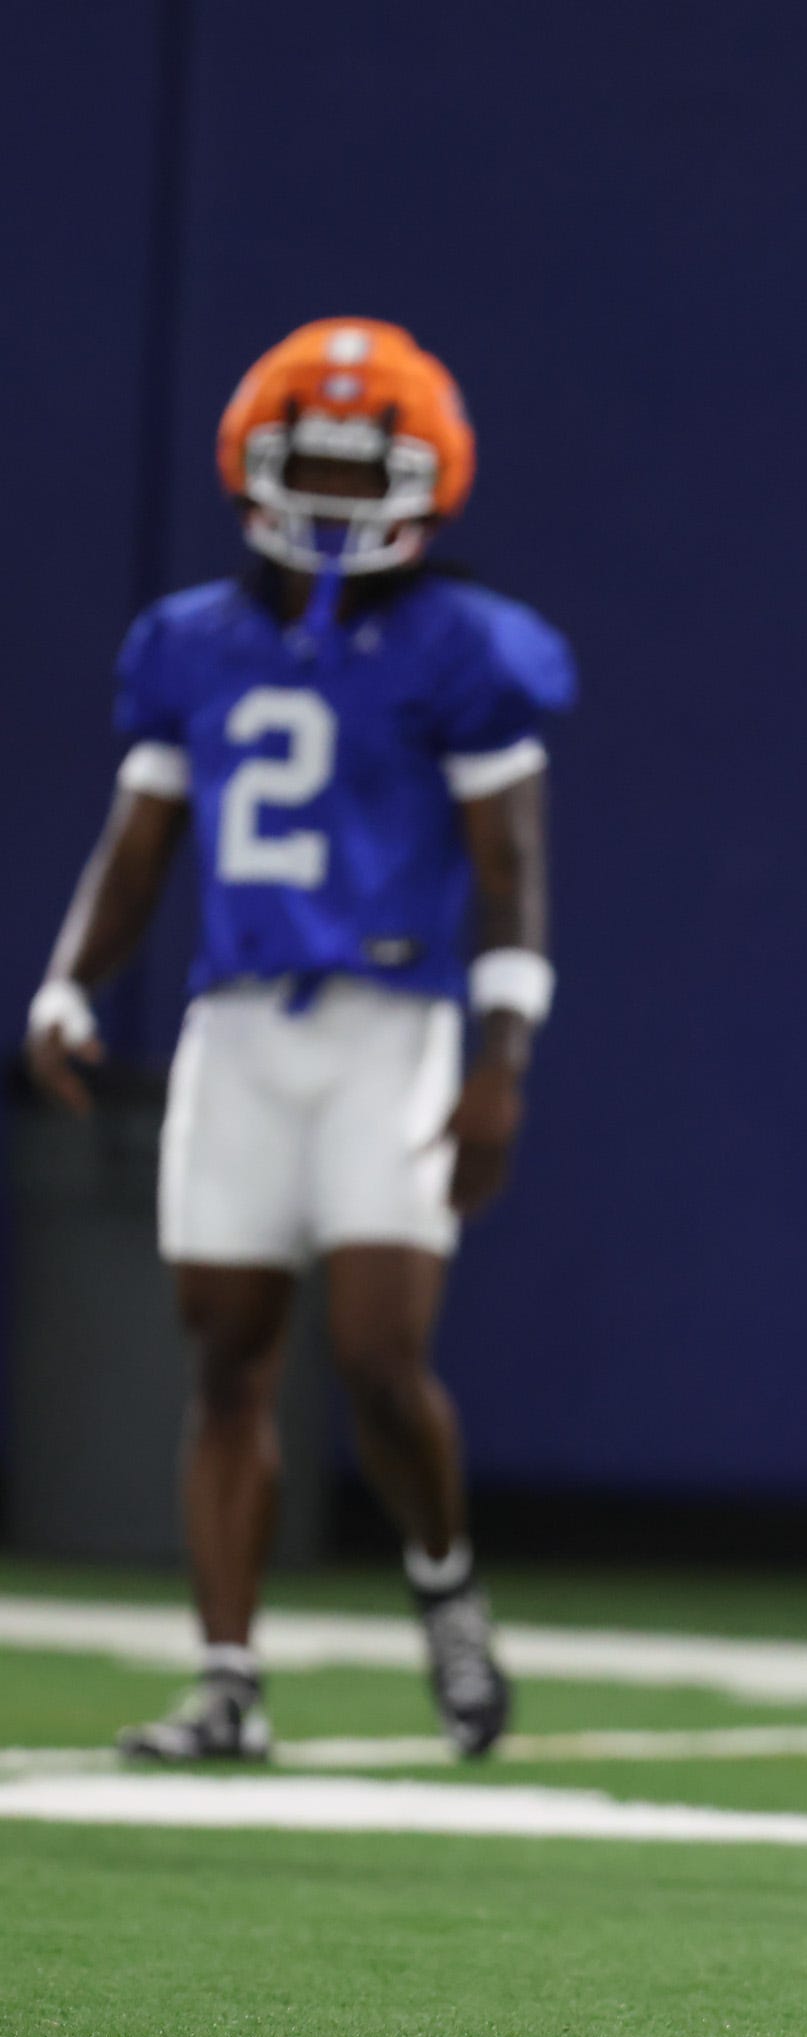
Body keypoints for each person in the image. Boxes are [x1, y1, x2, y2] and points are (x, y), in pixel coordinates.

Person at [21, 318, 574, 1762]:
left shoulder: (466, 645)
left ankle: (443, 1587)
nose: (330, 494)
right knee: (224, 1354)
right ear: (254, 465)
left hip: (393, 1022)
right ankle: (226, 1678)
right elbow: (139, 844)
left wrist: (501, 1056)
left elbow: (511, 869)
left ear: (422, 474)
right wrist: (71, 979)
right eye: (308, 462)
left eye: (358, 464)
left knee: (384, 1356)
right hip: (239, 1022)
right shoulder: (189, 641)